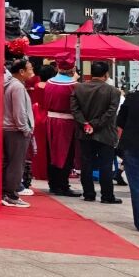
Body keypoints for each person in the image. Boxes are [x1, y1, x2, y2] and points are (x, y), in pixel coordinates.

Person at [73, 60, 122, 204]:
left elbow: (75, 110)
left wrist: (86, 124)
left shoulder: (78, 88)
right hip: (105, 133)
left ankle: (88, 193)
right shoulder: (113, 91)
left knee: (86, 163)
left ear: (91, 73)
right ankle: (107, 195)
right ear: (106, 74)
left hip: (84, 132)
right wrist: (96, 124)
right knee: (105, 165)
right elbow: (111, 113)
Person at [42, 56, 82, 197]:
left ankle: (53, 184)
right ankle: (63, 185)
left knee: (52, 153)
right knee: (66, 154)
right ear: (72, 69)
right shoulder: (74, 85)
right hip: (67, 123)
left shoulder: (49, 83)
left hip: (50, 120)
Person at [1, 58, 36, 209]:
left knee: (11, 163)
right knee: (16, 164)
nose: (32, 71)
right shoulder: (17, 87)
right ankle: (11, 194)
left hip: (11, 128)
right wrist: (25, 129)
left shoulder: (12, 84)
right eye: (30, 68)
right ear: (21, 71)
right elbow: (19, 112)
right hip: (16, 130)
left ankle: (7, 192)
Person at [117, 85, 139, 231]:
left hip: (132, 145)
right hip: (132, 145)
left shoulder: (132, 98)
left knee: (137, 185)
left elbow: (120, 123)